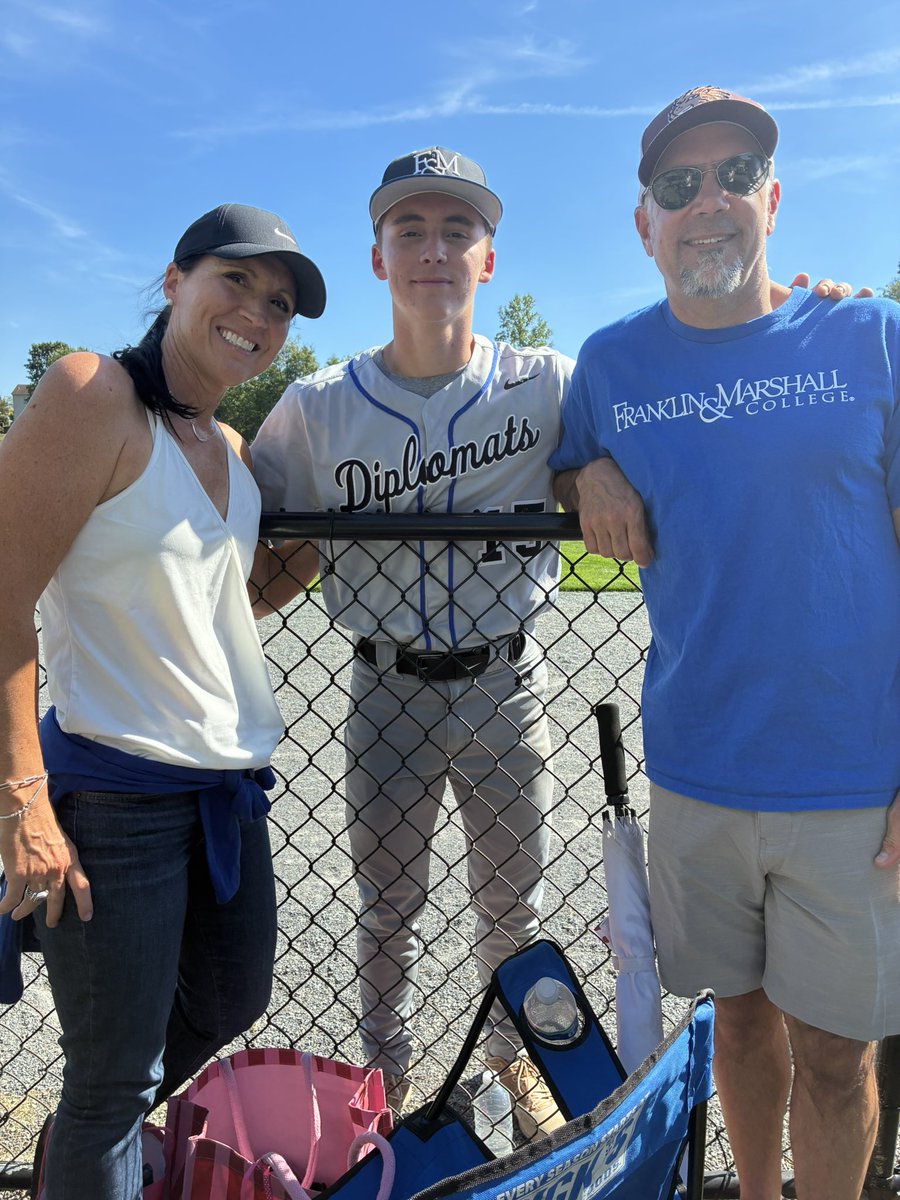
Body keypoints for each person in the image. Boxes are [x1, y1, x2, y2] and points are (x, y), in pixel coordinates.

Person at [551, 85, 900, 1200]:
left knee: (839, 1061)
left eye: (737, 175)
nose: (709, 201)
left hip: (854, 785)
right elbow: (564, 456)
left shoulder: (868, 336)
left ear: (776, 200)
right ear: (645, 222)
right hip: (698, 773)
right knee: (739, 1033)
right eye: (677, 183)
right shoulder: (609, 368)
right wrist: (584, 468)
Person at [0, 203, 326, 1200]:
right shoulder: (92, 392)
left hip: (223, 792)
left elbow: (228, 603)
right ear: (177, 278)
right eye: (236, 281)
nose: (256, 314)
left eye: (278, 305)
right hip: (113, 800)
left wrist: (319, 538)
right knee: (115, 1081)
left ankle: (85, 1144)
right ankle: (93, 1141)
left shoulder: (228, 446)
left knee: (232, 999)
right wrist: (23, 800)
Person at [250, 146, 570, 1139]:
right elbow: (248, 548)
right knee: (388, 910)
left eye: (456, 229)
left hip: (505, 682)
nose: (434, 247)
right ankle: (382, 1087)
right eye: (411, 230)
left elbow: (651, 456)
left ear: (488, 258)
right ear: (380, 259)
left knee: (512, 913)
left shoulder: (550, 386)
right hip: (383, 688)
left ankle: (516, 1069)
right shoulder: (317, 405)